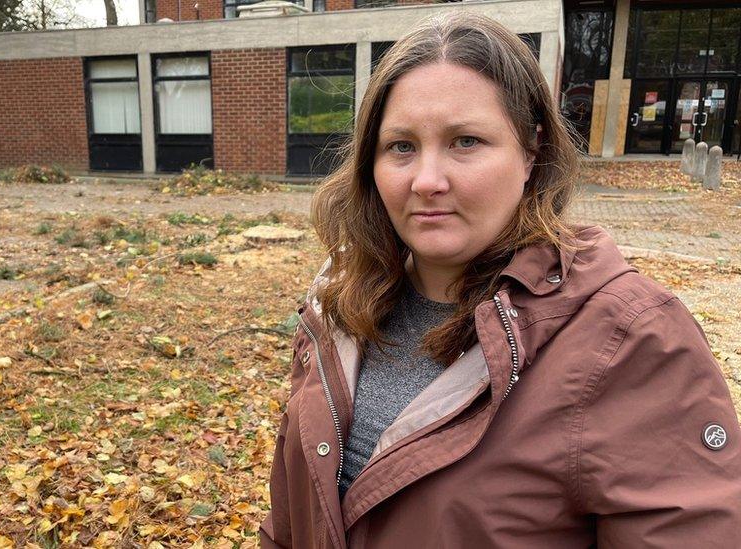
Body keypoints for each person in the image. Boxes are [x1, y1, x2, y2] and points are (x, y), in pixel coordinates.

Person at [259, 12, 741, 548]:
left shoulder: (631, 341)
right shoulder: (339, 307)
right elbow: (290, 519)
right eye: (401, 146)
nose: (427, 181)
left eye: (465, 141)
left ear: (532, 152)